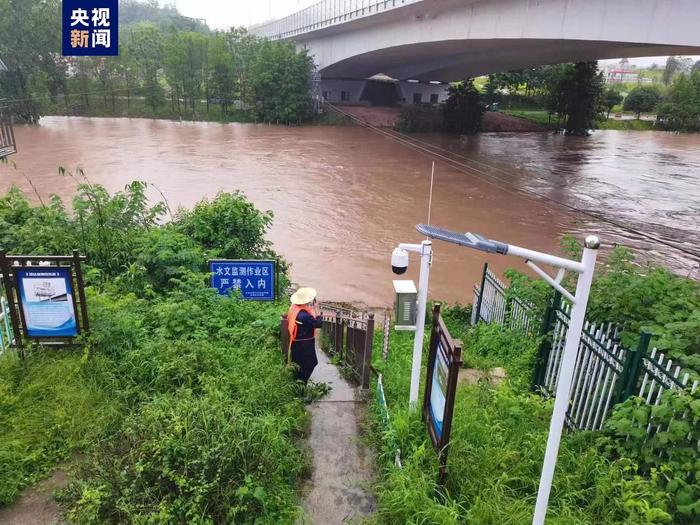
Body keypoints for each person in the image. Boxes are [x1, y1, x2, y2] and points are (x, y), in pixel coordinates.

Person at [287, 287, 323, 384]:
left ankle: (298, 388)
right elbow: (318, 324)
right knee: (310, 364)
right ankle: (301, 389)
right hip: (305, 345)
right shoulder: (304, 316)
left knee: (299, 366)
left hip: (296, 343)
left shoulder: (294, 309)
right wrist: (317, 309)